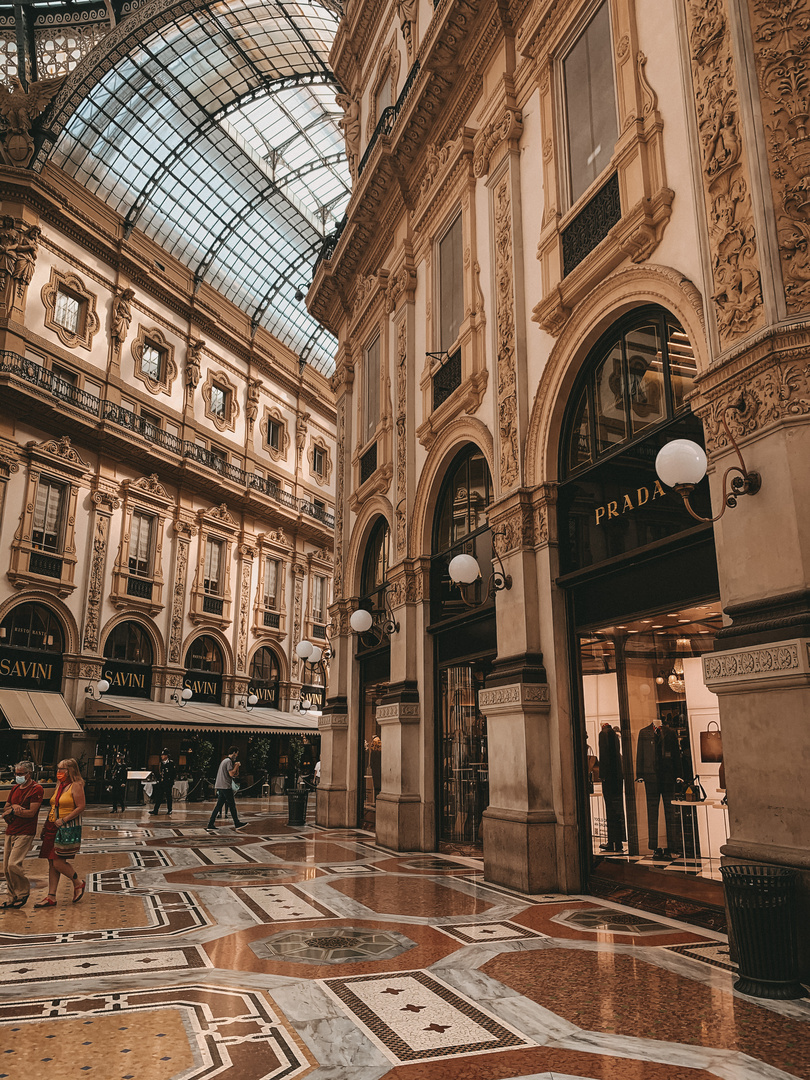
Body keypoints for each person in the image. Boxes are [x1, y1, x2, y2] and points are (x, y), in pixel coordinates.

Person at [35, 757, 86, 907]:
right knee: (51, 862)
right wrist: (45, 826)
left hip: (65, 827)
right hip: (52, 825)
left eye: (61, 769)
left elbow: (81, 806)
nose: (59, 772)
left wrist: (65, 819)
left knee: (58, 861)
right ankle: (51, 896)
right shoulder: (60, 785)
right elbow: (53, 806)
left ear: (70, 771)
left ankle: (77, 882)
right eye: (58, 769)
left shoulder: (76, 785)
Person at [2, 761, 44, 909]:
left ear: (28, 774)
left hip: (25, 831)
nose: (18, 776)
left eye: (20, 774)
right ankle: (12, 896)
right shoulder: (14, 789)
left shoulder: (36, 789)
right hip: (11, 830)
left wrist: (14, 811)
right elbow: (6, 808)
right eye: (16, 773)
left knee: (14, 864)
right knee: (6, 867)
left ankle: (23, 892)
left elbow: (31, 813)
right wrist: (14, 807)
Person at [206, 747, 247, 831]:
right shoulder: (228, 761)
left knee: (219, 805)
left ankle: (210, 823)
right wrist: (236, 765)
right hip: (225, 786)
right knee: (232, 805)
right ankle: (237, 823)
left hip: (221, 785)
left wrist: (236, 767)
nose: (237, 756)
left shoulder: (224, 761)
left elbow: (235, 774)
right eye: (237, 754)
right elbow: (231, 774)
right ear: (234, 753)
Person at [150, 749, 176, 816]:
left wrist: (170, 780)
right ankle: (155, 810)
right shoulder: (161, 763)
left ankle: (169, 809)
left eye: (163, 755)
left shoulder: (171, 763)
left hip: (168, 782)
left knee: (168, 796)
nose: (162, 756)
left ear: (166, 756)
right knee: (159, 796)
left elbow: (173, 773)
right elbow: (160, 772)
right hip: (162, 782)